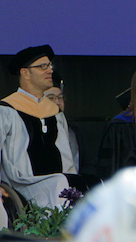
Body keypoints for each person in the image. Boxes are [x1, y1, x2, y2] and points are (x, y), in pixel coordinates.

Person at [0, 44, 83, 207]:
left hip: (54, 181)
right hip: (22, 183)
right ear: (25, 73)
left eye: (50, 66)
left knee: (85, 182)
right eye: (43, 66)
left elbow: (66, 156)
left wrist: (72, 179)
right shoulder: (7, 109)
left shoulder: (54, 112)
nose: (50, 70)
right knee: (59, 183)